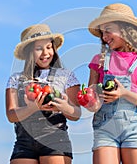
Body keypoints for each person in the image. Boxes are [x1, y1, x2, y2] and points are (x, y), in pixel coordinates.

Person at [87, 3, 137, 164]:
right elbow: (92, 101)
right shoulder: (98, 61)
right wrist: (89, 101)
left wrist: (124, 93)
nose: (104, 36)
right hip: (104, 128)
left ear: (125, 29)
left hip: (134, 131)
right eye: (102, 32)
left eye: (108, 29)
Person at [5, 24, 81, 164]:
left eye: (48, 47)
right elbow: (11, 115)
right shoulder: (16, 79)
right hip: (24, 143)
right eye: (38, 49)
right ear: (29, 53)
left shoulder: (66, 76)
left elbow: (76, 114)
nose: (45, 53)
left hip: (56, 140)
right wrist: (33, 107)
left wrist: (63, 107)